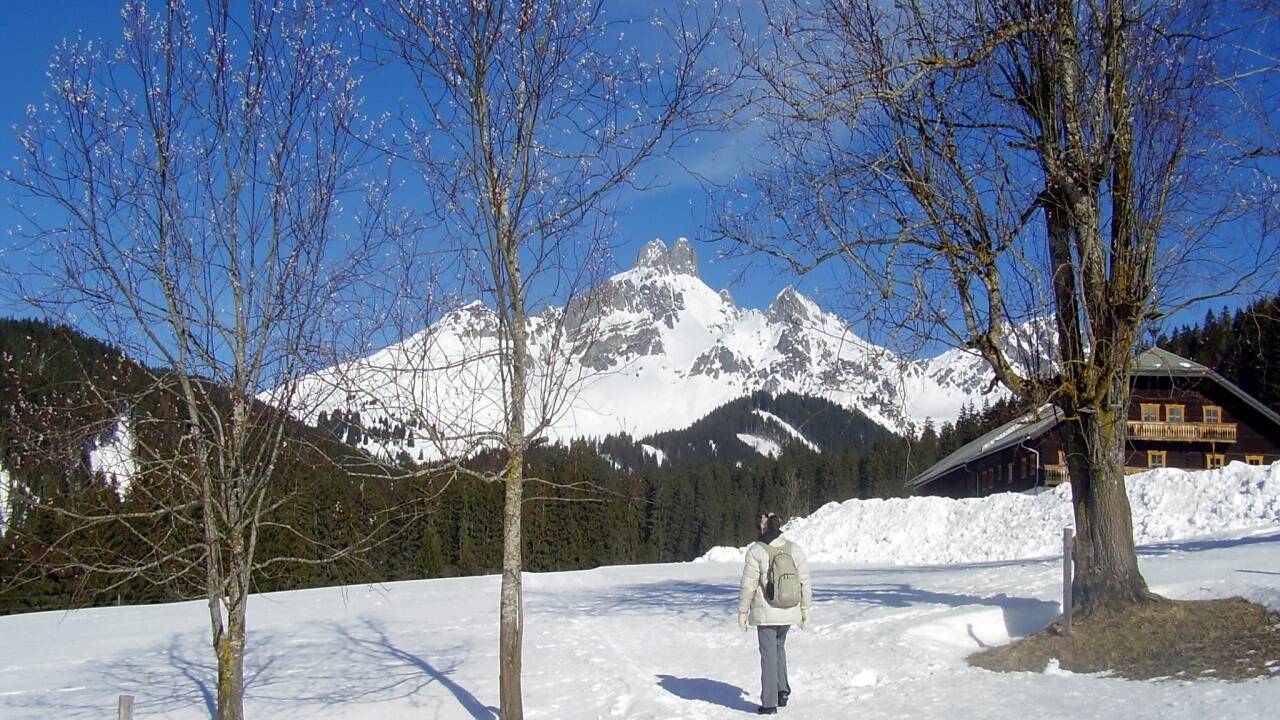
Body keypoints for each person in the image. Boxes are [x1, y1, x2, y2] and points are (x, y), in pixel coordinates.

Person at [736, 512, 812, 715]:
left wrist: (742, 611)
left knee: (768, 654)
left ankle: (769, 704)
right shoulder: (794, 549)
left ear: (763, 528)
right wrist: (805, 609)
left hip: (766, 612)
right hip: (789, 609)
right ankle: (782, 691)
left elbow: (748, 586)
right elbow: (804, 581)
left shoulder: (756, 551)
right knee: (779, 647)